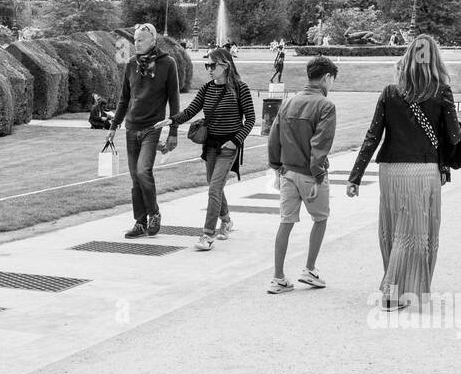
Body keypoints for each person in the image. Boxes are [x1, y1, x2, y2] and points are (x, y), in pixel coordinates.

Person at [347, 34, 460, 309]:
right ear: (435, 58)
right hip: (422, 172)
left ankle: (394, 285)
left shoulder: (389, 91)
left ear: (408, 57)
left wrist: (355, 177)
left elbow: (372, 136)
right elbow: (453, 138)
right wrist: (446, 165)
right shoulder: (441, 91)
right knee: (415, 233)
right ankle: (393, 291)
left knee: (395, 229)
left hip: (391, 171)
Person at [170, 46, 256, 250]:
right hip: (211, 145)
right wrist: (171, 121)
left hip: (229, 146)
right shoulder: (207, 88)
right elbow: (191, 110)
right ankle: (226, 220)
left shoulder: (240, 88)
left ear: (225, 66)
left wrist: (236, 141)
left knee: (214, 188)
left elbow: (251, 119)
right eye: (207, 64)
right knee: (213, 185)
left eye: (212, 65)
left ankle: (207, 235)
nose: (208, 68)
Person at [266, 56, 338, 293]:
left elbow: (274, 137)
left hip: (287, 172)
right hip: (310, 174)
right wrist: (318, 175)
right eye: (332, 80)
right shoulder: (325, 106)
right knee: (320, 219)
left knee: (286, 222)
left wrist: (276, 167)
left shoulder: (288, 102)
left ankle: (278, 277)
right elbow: (320, 145)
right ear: (326, 78)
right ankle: (309, 268)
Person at [106, 22, 180, 237]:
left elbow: (174, 101)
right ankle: (140, 222)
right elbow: (124, 99)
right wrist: (113, 126)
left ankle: (154, 213)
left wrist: (173, 132)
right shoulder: (131, 64)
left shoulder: (168, 64)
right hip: (131, 127)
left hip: (152, 127)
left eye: (140, 40)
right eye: (135, 40)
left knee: (142, 171)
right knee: (134, 178)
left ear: (153, 41)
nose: (136, 43)